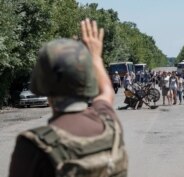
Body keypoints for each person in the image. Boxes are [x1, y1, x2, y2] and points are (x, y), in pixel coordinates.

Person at [8, 19, 128, 177]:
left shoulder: (34, 145)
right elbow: (106, 91)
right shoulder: (110, 124)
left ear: (42, 83)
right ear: (87, 80)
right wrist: (95, 57)